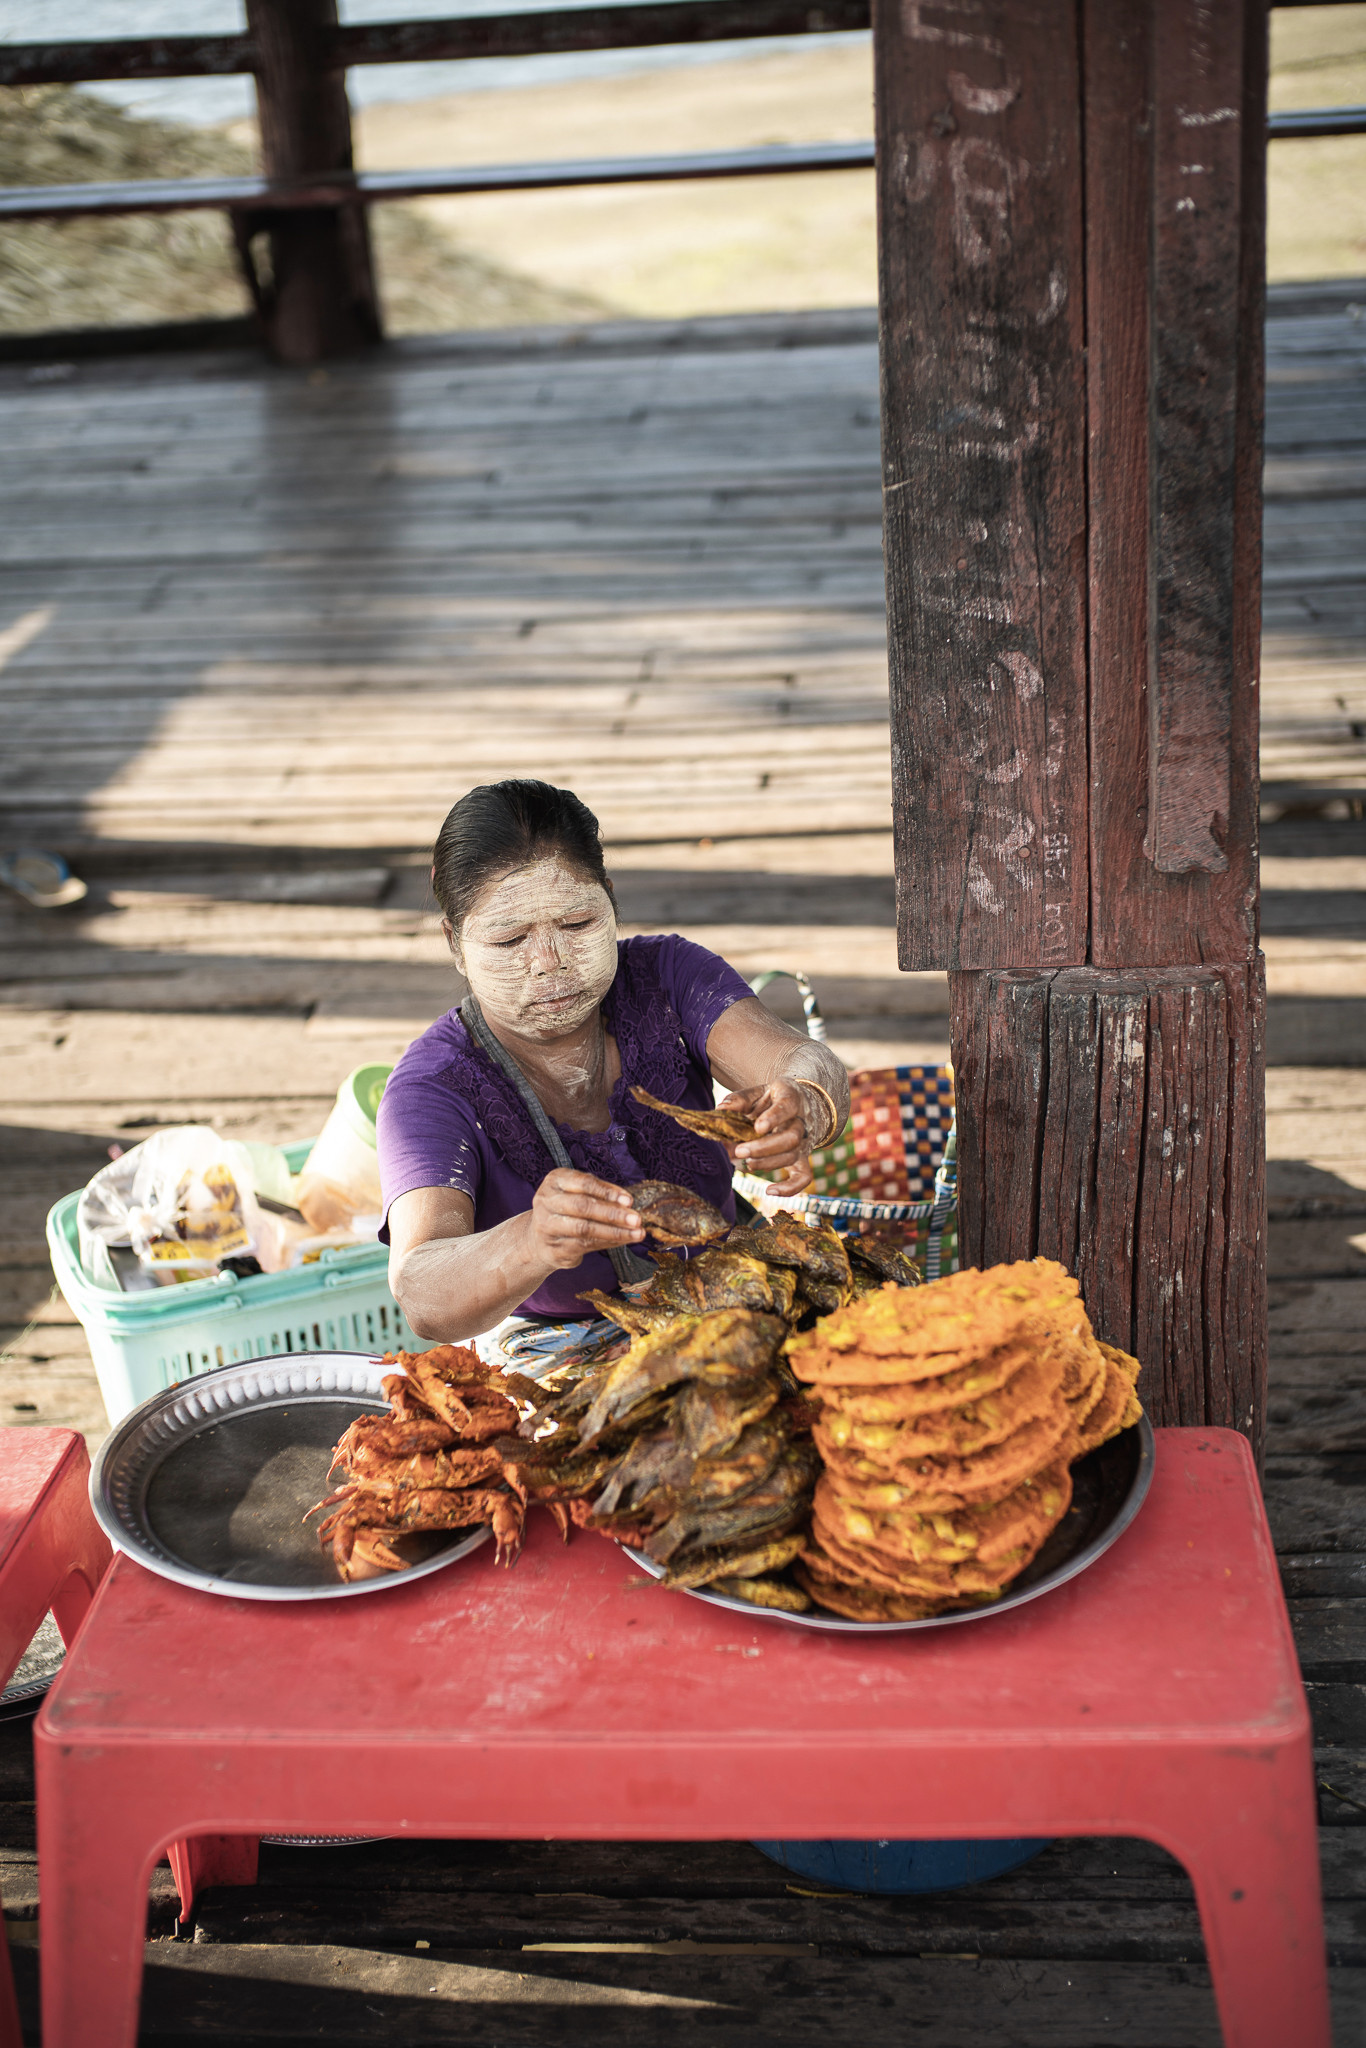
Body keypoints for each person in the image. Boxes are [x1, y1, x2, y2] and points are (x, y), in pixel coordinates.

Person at [380, 779, 849, 1355]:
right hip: (560, 1350)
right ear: (455, 943)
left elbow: (803, 1060)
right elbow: (421, 1290)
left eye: (577, 926)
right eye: (509, 940)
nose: (548, 964)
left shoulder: (669, 976)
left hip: (736, 1300)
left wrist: (803, 1103)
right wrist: (532, 1241)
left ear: (610, 899)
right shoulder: (432, 1088)